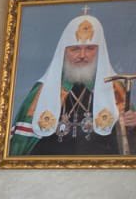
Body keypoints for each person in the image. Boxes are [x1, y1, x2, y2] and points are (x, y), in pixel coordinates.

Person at [9, 12, 135, 158]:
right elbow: (20, 143)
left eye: (90, 48)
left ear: (99, 51)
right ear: (64, 51)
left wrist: (132, 124)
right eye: (75, 49)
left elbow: (128, 143)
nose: (82, 55)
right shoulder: (42, 90)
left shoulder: (115, 89)